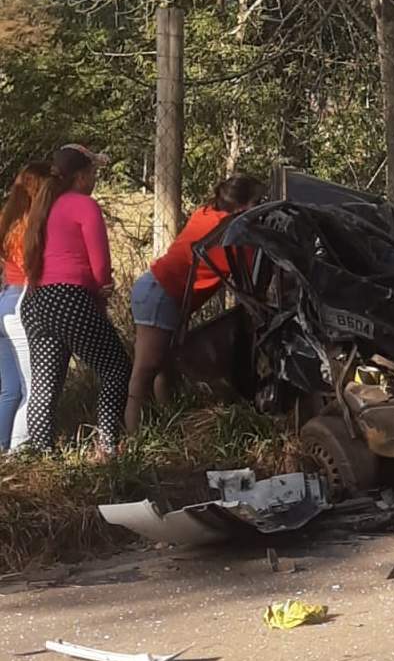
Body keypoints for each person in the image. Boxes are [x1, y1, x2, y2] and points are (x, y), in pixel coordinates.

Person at [125, 173, 264, 433]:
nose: (261, 209)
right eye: (258, 203)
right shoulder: (229, 237)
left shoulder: (206, 213)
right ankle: (132, 437)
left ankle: (169, 425)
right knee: (145, 369)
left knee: (166, 368)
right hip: (161, 293)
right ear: (243, 208)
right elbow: (254, 273)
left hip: (157, 290)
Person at [21, 144, 131, 455]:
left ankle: (42, 452)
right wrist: (102, 287)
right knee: (115, 368)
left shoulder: (41, 206)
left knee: (45, 383)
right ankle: (108, 443)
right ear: (81, 177)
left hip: (36, 300)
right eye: (94, 172)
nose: (95, 178)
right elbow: (100, 264)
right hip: (70, 298)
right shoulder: (83, 205)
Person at [0, 162, 48, 450]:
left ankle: (3, 449)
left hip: (4, 302)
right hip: (21, 306)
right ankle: (19, 452)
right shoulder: (34, 225)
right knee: (33, 388)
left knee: (9, 389)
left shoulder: (7, 221)